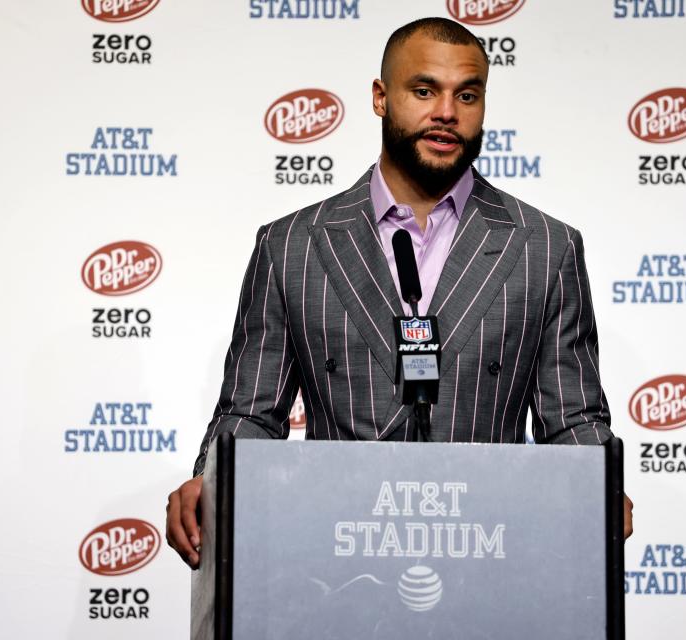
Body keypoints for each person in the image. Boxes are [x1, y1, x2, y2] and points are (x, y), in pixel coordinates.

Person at [166, 17, 633, 569]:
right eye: (424, 90)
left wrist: (599, 480)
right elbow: (250, 411)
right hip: (337, 558)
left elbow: (572, 417)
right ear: (381, 97)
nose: (447, 113)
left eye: (468, 94)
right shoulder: (291, 244)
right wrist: (210, 480)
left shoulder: (546, 248)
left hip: (489, 557)